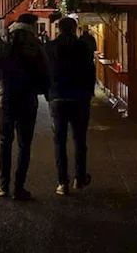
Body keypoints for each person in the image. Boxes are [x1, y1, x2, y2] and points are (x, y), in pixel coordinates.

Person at [0, 13, 49, 201]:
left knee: (5, 141)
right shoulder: (36, 45)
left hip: (5, 98)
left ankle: (3, 185)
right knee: (24, 144)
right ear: (32, 25)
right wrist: (38, 90)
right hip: (27, 99)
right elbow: (45, 72)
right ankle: (19, 187)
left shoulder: (2, 42)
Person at [44, 16, 95, 195]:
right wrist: (89, 92)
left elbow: (44, 72)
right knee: (79, 140)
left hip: (57, 97)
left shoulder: (49, 47)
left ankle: (62, 182)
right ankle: (79, 178)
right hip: (79, 97)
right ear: (74, 29)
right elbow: (90, 70)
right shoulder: (83, 47)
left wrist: (47, 93)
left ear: (58, 29)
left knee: (59, 141)